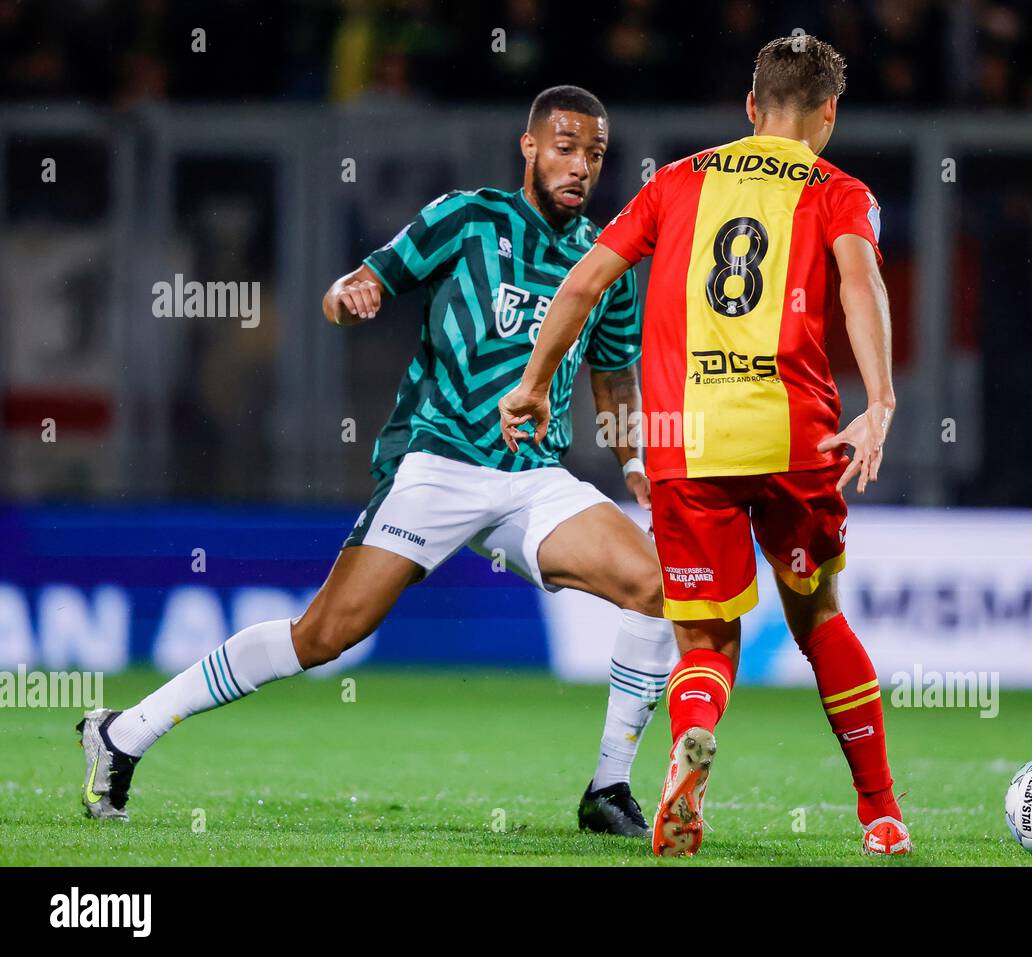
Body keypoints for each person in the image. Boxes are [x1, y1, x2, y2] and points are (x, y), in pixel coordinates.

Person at [77, 86, 677, 839]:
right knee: (324, 635)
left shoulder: (608, 255)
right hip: (438, 463)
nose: (580, 165)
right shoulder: (466, 218)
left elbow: (614, 373)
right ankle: (125, 731)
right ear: (529, 148)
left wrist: (633, 461)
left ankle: (608, 787)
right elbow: (351, 287)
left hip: (533, 477)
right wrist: (348, 294)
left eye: (594, 152)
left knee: (654, 583)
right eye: (564, 146)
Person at [499, 39, 909, 857]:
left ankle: (688, 755)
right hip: (796, 435)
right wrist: (882, 399)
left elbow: (584, 281)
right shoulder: (838, 189)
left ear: (750, 109)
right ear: (828, 115)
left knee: (706, 640)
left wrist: (537, 381)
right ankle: (881, 813)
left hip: (686, 442)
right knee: (818, 616)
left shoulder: (676, 180)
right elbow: (861, 280)